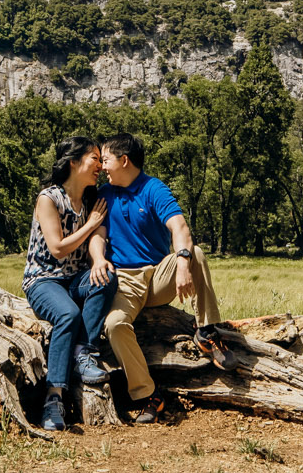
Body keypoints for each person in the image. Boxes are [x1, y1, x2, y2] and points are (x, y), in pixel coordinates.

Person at [97, 132, 239, 423]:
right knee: (114, 325)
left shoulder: (153, 188)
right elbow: (95, 233)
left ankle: (207, 331)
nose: (102, 166)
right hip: (125, 279)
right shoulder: (103, 194)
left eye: (106, 160)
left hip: (158, 274)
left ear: (124, 161)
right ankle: (149, 394)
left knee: (195, 252)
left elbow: (179, 227)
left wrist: (183, 263)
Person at [22, 134, 115, 431]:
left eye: (101, 160)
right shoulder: (48, 198)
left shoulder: (91, 198)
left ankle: (84, 353)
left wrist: (99, 259)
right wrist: (90, 225)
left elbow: (99, 233)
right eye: (95, 159)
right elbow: (57, 247)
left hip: (74, 278)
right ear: (74, 162)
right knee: (67, 314)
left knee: (106, 277)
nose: (99, 165)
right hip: (43, 280)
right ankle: (54, 397)